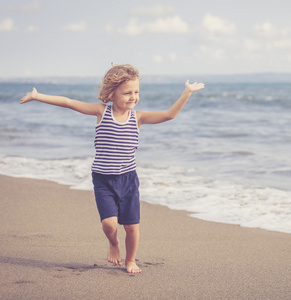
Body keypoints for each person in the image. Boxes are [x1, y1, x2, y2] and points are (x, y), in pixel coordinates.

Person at [20, 64, 205, 273]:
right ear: (111, 94)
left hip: (128, 180)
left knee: (132, 228)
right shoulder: (101, 112)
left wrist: (187, 93)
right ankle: (113, 243)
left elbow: (169, 115)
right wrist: (37, 96)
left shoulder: (138, 117)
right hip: (103, 180)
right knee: (109, 224)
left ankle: (131, 260)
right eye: (127, 93)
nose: (133, 97)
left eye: (136, 92)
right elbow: (69, 102)